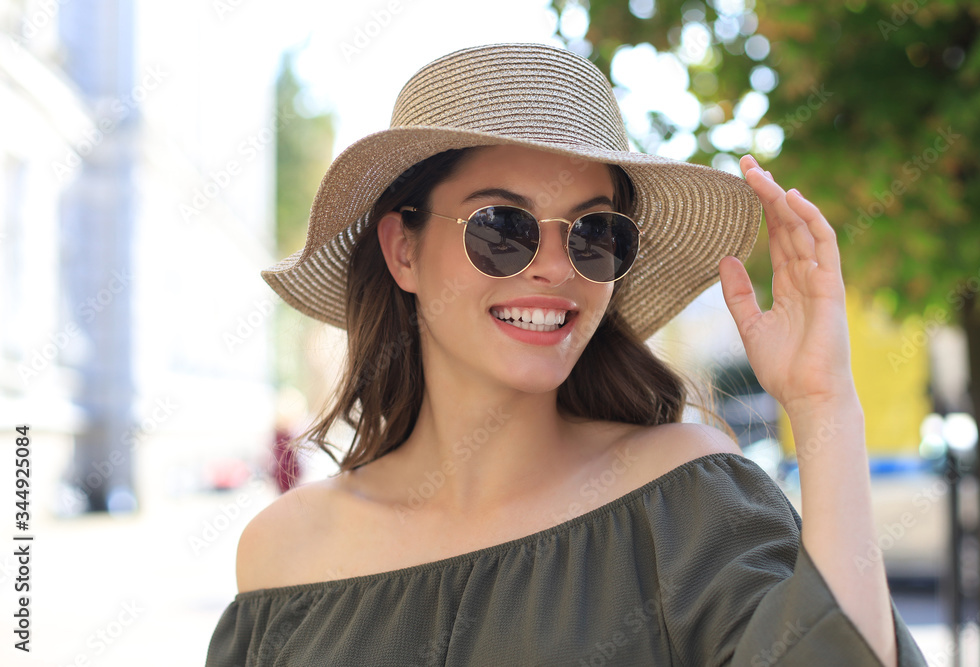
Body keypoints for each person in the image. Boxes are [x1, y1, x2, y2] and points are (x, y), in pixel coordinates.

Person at [205, 43, 928, 666]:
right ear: (403, 249)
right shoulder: (282, 554)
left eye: (594, 234)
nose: (557, 266)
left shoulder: (684, 499)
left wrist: (824, 400)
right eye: (502, 227)